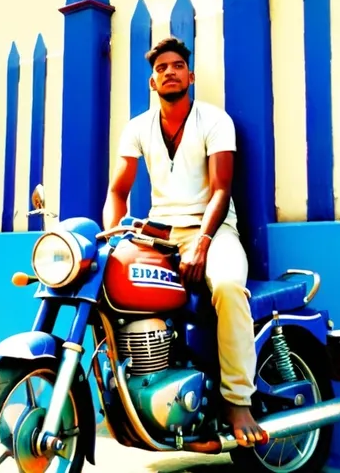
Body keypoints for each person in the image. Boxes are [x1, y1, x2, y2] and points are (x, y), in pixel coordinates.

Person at [102, 36, 264, 446]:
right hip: (159, 233)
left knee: (227, 288)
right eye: (161, 69)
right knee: (105, 282)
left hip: (213, 229)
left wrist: (203, 240)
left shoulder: (214, 120)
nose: (169, 71)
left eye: (177, 65)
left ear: (190, 75)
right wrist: (112, 235)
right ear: (152, 83)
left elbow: (221, 190)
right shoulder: (137, 127)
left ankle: (238, 401)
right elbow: (118, 191)